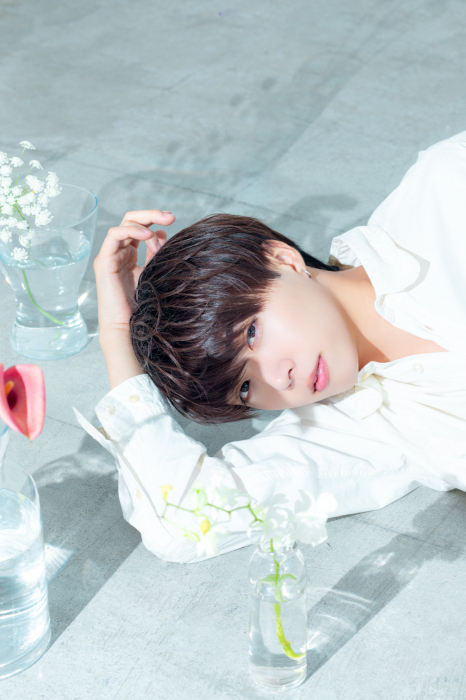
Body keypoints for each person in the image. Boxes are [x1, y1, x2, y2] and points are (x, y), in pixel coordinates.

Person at [76, 131, 466, 563]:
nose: (279, 378)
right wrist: (116, 333)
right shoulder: (358, 430)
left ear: (282, 258)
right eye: (245, 388)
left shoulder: (444, 192)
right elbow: (184, 520)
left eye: (252, 334)